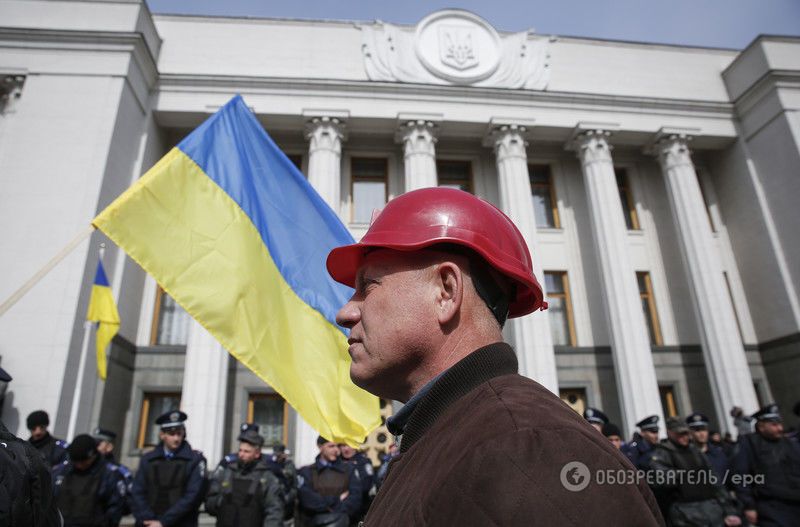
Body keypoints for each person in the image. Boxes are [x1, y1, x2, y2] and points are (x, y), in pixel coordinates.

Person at [325, 187, 663, 525]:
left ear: (446, 291)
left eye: (367, 287)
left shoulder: (526, 447)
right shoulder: (472, 436)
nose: (345, 312)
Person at [649, 418, 741, 526]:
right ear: (670, 432)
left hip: (711, 510)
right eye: (680, 433)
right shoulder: (663, 453)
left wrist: (729, 510)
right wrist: (684, 475)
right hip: (685, 513)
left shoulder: (695, 451)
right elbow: (660, 479)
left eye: (686, 433)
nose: (684, 437)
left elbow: (715, 482)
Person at [130, 410, 207, 527]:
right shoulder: (148, 459)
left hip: (181, 522)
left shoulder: (194, 460)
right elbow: (137, 491)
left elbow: (192, 496)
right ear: (162, 435)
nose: (176, 438)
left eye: (179, 433)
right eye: (172, 434)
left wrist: (163, 522)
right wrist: (148, 519)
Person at [732, 403, 800, 527]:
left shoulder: (790, 444)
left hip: (796, 504)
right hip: (771, 507)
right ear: (761, 426)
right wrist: (748, 505)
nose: (779, 428)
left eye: (779, 424)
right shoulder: (749, 444)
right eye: (774, 425)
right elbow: (741, 476)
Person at [205, 428, 284, 527]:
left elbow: (274, 512)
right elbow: (210, 502)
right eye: (240, 450)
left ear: (257, 453)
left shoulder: (267, 478)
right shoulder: (226, 473)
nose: (241, 455)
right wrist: (221, 502)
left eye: (246, 452)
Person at [52, 434, 127, 526]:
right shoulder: (61, 472)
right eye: (76, 462)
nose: (79, 465)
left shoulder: (109, 475)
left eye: (83, 462)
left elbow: (115, 509)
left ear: (93, 456)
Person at [0, 419, 61, 526]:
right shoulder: (25, 449)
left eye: (41, 427)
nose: (38, 432)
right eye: (34, 428)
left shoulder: (27, 452)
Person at [296, 436, 361, 527]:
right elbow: (308, 499)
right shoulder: (307, 471)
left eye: (338, 446)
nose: (336, 450)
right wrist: (337, 500)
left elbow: (355, 498)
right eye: (331, 446)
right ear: (320, 447)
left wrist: (333, 509)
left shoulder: (349, 470)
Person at [93, 427, 134, 514]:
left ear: (109, 447)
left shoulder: (120, 471)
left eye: (98, 444)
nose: (94, 447)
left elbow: (129, 500)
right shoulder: (84, 466)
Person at [686, 412, 728, 482]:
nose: (702, 434)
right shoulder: (686, 455)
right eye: (697, 430)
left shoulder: (718, 453)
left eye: (704, 429)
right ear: (690, 433)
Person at [338, 443, 375, 520]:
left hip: (360, 510)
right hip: (339, 510)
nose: (346, 449)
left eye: (349, 445)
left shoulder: (364, 461)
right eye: (343, 446)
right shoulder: (336, 461)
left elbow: (366, 485)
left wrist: (348, 490)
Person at [266, 442, 297, 520]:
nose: (277, 458)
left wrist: (287, 498)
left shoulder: (288, 464)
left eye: (279, 456)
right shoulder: (271, 464)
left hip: (286, 497)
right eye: (275, 456)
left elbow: (291, 478)